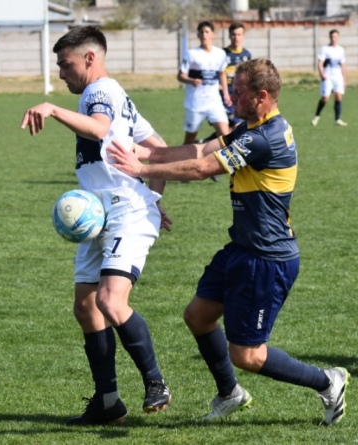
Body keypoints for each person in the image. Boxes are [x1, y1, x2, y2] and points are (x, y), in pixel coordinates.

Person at [108, 58, 350, 426]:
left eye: (237, 91)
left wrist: (141, 169)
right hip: (242, 248)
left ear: (262, 96)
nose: (229, 95)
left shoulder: (262, 138)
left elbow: (203, 169)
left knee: (248, 355)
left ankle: (328, 381)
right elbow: (199, 151)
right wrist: (148, 153)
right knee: (198, 317)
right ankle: (230, 394)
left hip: (267, 258)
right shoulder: (253, 127)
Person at [20, 26, 172, 426]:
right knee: (87, 307)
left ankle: (155, 381)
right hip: (101, 213)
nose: (61, 73)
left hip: (123, 211)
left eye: (65, 64)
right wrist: (155, 198)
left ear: (89, 58)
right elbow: (158, 148)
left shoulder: (99, 91)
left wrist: (52, 109)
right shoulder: (116, 95)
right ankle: (108, 403)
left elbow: (101, 129)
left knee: (110, 301)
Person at [177, 21, 231, 146]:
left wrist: (226, 94)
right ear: (198, 35)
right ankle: (180, 163)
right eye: (201, 32)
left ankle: (225, 165)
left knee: (226, 136)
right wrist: (191, 80)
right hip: (195, 103)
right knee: (189, 141)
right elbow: (180, 75)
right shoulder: (191, 54)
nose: (204, 35)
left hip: (214, 102)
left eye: (207, 32)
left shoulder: (220, 54)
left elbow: (222, 73)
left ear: (213, 34)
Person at [201, 22, 252, 143]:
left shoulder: (247, 55)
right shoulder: (222, 53)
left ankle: (205, 143)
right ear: (229, 36)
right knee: (229, 130)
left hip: (239, 98)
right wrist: (218, 86)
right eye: (234, 34)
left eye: (239, 34)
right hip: (222, 98)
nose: (236, 38)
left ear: (243, 36)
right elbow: (213, 72)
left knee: (232, 130)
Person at [311, 29, 347, 126]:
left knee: (338, 97)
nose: (333, 39)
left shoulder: (341, 50)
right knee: (325, 98)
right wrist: (322, 74)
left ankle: (338, 119)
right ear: (329, 37)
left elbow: (343, 65)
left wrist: (344, 79)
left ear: (338, 37)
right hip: (327, 76)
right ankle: (316, 116)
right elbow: (320, 63)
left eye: (335, 37)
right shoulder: (325, 49)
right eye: (332, 37)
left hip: (338, 76)